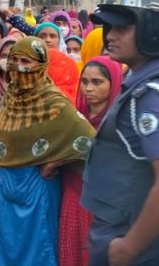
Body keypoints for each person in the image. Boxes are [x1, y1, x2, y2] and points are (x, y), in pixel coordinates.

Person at [82, 0, 159, 265]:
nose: (109, 36)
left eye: (122, 28)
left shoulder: (153, 94)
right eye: (109, 27)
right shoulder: (147, 77)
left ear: (154, 29)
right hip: (125, 225)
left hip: (132, 238)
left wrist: (129, 248)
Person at [0, 37, 95, 265]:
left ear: (42, 65)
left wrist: (55, 161)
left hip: (35, 190)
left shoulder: (53, 101)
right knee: (5, 251)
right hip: (3, 192)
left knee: (36, 253)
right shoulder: (11, 97)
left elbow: (89, 141)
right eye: (13, 59)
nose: (18, 66)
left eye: (26, 61)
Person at [59, 56, 123, 266]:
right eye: (84, 82)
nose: (88, 88)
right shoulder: (74, 117)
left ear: (113, 83)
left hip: (105, 203)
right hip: (73, 196)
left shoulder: (119, 121)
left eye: (97, 82)